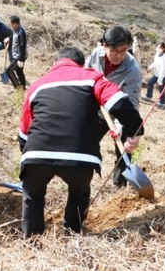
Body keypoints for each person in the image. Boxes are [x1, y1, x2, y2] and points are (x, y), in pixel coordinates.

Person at [19, 47, 144, 237]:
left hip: (37, 152)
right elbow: (120, 103)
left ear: (55, 62)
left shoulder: (37, 85)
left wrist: (28, 158)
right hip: (80, 156)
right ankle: (72, 235)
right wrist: (136, 130)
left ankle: (32, 241)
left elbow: (24, 130)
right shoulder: (92, 78)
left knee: (33, 195)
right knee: (79, 193)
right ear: (80, 63)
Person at [84, 25, 142, 188]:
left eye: (123, 51)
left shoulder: (133, 70)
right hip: (97, 108)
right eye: (115, 51)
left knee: (123, 147)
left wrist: (120, 124)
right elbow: (86, 74)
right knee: (88, 140)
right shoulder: (96, 54)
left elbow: (131, 102)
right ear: (105, 45)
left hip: (121, 112)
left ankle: (120, 183)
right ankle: (85, 173)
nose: (119, 56)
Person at [5, 15, 27, 89]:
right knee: (19, 72)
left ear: (15, 23)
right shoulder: (16, 29)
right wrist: (9, 38)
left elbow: (22, 46)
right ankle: (23, 87)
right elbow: (14, 36)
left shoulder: (21, 32)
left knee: (9, 71)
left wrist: (20, 60)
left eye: (11, 24)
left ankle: (18, 88)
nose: (10, 25)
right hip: (17, 55)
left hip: (19, 56)